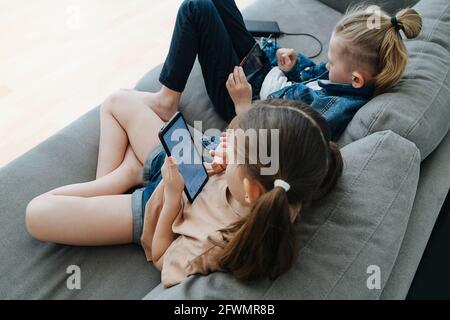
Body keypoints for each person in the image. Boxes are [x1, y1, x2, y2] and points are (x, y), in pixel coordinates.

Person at [25, 99, 343, 287]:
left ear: (250, 188)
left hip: (155, 205)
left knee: (37, 213)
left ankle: (123, 177)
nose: (226, 146)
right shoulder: (290, 185)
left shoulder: (214, 243)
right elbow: (269, 159)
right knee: (115, 102)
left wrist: (172, 196)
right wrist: (220, 160)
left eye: (233, 151)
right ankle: (134, 172)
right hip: (190, 162)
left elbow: (163, 258)